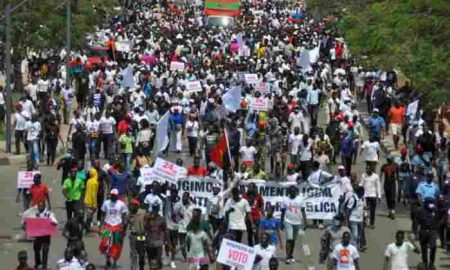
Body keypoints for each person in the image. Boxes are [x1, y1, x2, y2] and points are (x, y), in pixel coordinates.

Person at [23, 201, 58, 270]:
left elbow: (55, 222)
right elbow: (26, 221)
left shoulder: (49, 214)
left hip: (46, 236)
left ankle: (44, 266)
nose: (40, 207)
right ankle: (38, 264)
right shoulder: (34, 213)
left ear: (44, 206)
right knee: (36, 250)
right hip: (38, 235)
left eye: (41, 206)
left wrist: (49, 222)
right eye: (39, 206)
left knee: (45, 251)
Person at [99, 189, 129, 268]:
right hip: (108, 225)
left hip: (117, 226)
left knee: (117, 244)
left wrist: (124, 227)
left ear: (117, 195)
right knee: (104, 243)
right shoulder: (106, 203)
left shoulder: (121, 204)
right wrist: (100, 227)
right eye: (112, 195)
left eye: (115, 195)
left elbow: (125, 215)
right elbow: (102, 215)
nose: (113, 196)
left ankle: (115, 261)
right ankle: (108, 259)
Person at [281, 185, 307, 263]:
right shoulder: (285, 200)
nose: (292, 192)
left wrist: (305, 222)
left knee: (293, 240)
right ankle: (287, 256)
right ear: (289, 192)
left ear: (296, 192)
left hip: (297, 222)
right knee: (289, 239)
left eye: (294, 191)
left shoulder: (300, 199)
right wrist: (281, 222)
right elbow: (282, 212)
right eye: (291, 191)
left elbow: (303, 211)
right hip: (288, 221)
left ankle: (291, 254)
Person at [417, 198, 440, 269]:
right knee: (424, 248)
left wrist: (437, 234)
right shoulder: (420, 210)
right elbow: (417, 221)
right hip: (423, 231)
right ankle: (425, 262)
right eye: (430, 203)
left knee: (433, 247)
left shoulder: (435, 210)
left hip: (432, 231)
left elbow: (437, 221)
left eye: (432, 203)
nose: (431, 205)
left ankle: (431, 263)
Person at [144, 203, 167, 270]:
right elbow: (145, 228)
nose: (155, 211)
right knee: (151, 262)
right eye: (154, 209)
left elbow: (165, 230)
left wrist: (167, 242)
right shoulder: (148, 218)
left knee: (158, 261)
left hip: (159, 243)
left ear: (158, 209)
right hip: (150, 243)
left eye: (156, 209)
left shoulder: (162, 219)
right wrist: (147, 220)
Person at [173, 191, 195, 261]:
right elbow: (173, 215)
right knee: (182, 242)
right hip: (181, 226)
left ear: (188, 197)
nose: (184, 198)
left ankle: (190, 255)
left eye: (186, 197)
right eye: (183, 196)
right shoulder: (177, 205)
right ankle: (185, 257)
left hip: (190, 226)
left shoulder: (192, 206)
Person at [84, 168, 99, 232]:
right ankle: (87, 228)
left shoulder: (88, 181)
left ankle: (87, 227)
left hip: (86, 200)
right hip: (91, 202)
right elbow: (94, 194)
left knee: (88, 215)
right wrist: (95, 204)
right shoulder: (95, 182)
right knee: (89, 216)